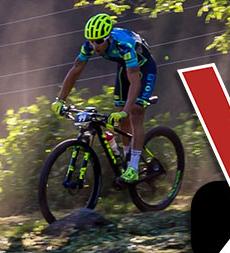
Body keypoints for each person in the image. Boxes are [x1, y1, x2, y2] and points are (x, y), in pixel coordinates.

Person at [53, 13, 159, 183]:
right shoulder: (89, 45)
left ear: (108, 37)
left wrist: (126, 111)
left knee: (135, 111)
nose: (95, 46)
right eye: (91, 41)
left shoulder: (124, 46)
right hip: (125, 67)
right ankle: (127, 158)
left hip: (143, 68)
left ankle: (133, 168)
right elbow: (75, 71)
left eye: (99, 41)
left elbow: (135, 81)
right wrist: (60, 100)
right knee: (121, 118)